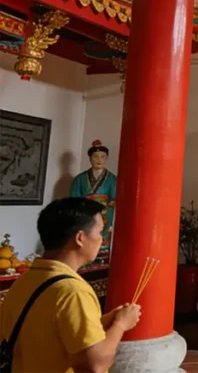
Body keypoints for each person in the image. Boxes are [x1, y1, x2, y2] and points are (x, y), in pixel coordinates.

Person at [0, 198, 141, 372]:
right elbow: (94, 365)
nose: (101, 240)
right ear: (80, 238)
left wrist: (106, 322)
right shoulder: (73, 291)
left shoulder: (28, 278)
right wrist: (121, 324)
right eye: (100, 232)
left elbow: (53, 333)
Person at [70, 140, 117, 259]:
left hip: (105, 216)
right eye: (95, 156)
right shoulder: (79, 179)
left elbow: (115, 199)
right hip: (86, 214)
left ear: (106, 159)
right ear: (90, 158)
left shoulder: (113, 180)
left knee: (102, 237)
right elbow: (73, 200)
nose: (99, 160)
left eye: (102, 157)